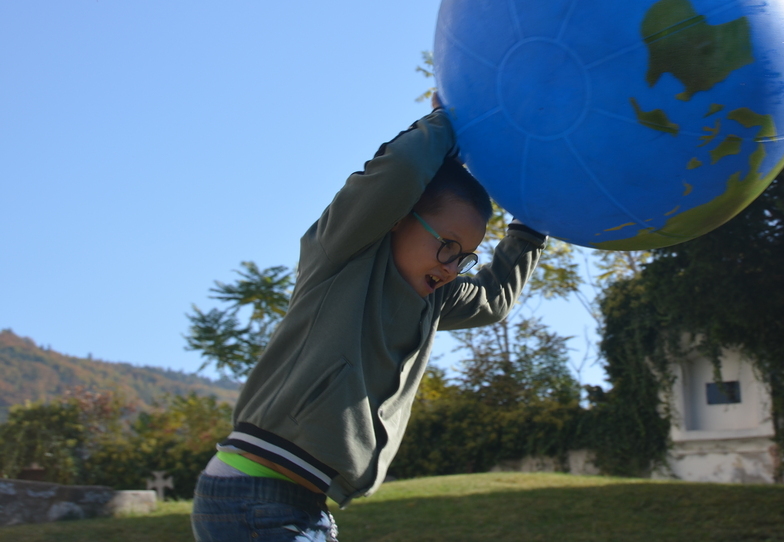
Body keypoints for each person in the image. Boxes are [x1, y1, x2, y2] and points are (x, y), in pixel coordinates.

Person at [191, 101, 547, 541]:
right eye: (447, 245)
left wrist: (532, 225)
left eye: (464, 257)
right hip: (254, 495)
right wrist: (448, 122)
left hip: (301, 503)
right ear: (399, 217)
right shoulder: (344, 253)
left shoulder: (436, 297)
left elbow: (494, 299)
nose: (452, 266)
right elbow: (400, 171)